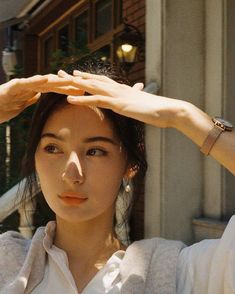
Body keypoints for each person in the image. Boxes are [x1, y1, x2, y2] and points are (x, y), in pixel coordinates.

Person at [0, 61, 234, 294]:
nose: (72, 174)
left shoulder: (180, 274)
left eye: (95, 151)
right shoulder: (7, 263)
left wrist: (183, 115)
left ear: (131, 164)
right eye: (53, 148)